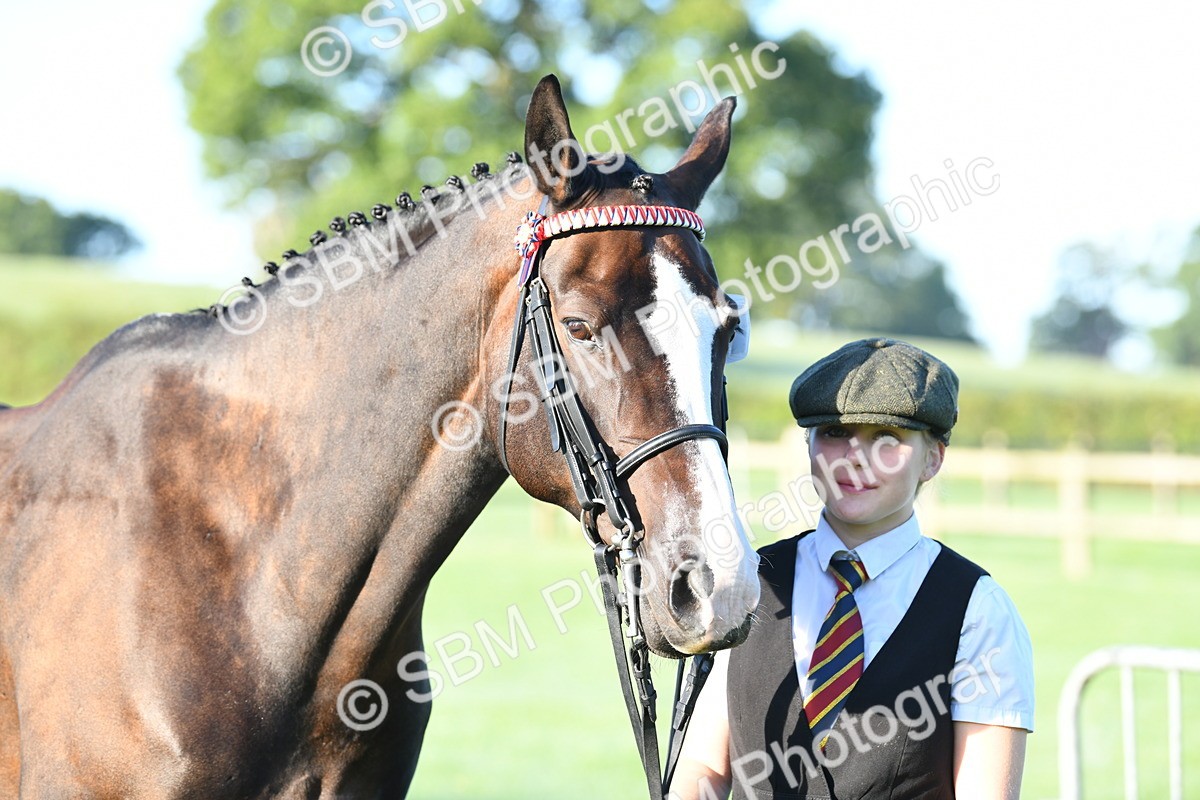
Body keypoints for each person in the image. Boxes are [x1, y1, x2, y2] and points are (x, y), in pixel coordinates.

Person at [670, 337, 1034, 800]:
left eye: (888, 439)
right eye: (835, 433)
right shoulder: (752, 579)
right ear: (808, 444)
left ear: (933, 459)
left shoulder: (978, 611)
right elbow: (705, 766)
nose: (856, 457)